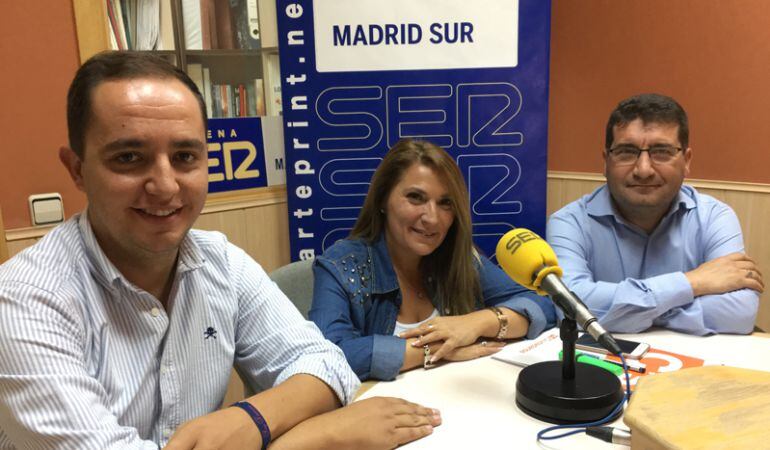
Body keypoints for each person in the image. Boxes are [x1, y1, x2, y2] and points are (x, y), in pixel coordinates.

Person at [0, 52, 440, 450]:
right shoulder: (24, 301)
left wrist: (250, 420)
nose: (165, 185)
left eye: (186, 156)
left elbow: (326, 363)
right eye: (129, 158)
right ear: (77, 170)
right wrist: (315, 437)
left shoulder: (220, 262)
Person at [310, 139, 557, 381]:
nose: (432, 218)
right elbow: (328, 355)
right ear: (383, 200)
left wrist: (475, 323)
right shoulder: (340, 265)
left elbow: (542, 307)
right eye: (416, 198)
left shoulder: (459, 258)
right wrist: (436, 349)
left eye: (445, 203)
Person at [547, 93, 763, 335]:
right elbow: (570, 309)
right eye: (627, 152)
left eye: (662, 151)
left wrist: (624, 311)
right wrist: (692, 283)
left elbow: (740, 313)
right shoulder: (568, 222)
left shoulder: (715, 217)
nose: (643, 169)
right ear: (605, 161)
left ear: (687, 160)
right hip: (602, 365)